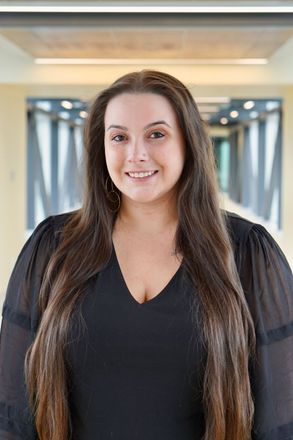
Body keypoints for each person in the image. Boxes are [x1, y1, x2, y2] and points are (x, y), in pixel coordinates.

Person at [0, 70, 292, 440]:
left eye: (156, 134)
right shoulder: (52, 247)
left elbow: (281, 418)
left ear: (188, 143)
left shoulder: (249, 252)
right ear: (101, 148)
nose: (136, 154)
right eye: (119, 137)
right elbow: (12, 410)